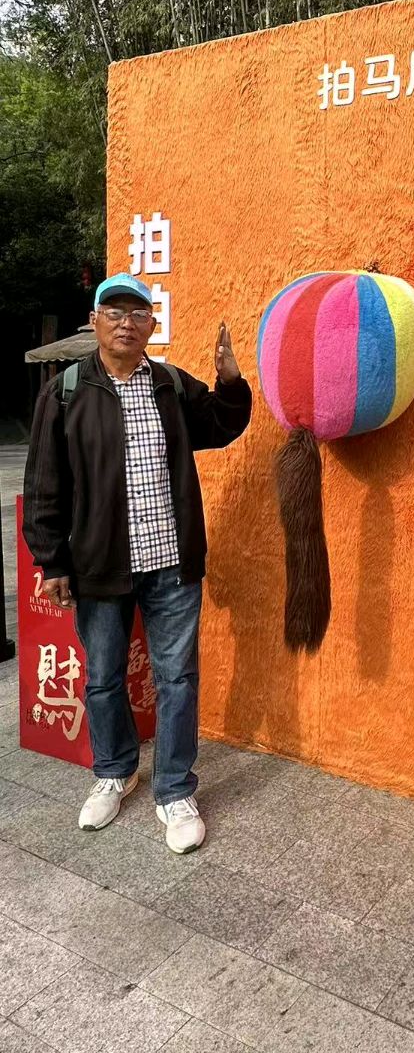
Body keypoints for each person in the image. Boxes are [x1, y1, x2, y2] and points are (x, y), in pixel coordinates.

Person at [23, 273, 252, 852]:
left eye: (138, 313)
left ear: (152, 324)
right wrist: (52, 561)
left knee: (178, 679)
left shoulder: (171, 385)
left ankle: (174, 789)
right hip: (98, 565)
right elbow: (45, 483)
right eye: (115, 311)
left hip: (171, 562)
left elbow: (222, 425)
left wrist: (230, 383)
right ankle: (115, 771)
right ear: (95, 321)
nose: (127, 322)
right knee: (103, 678)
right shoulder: (66, 392)